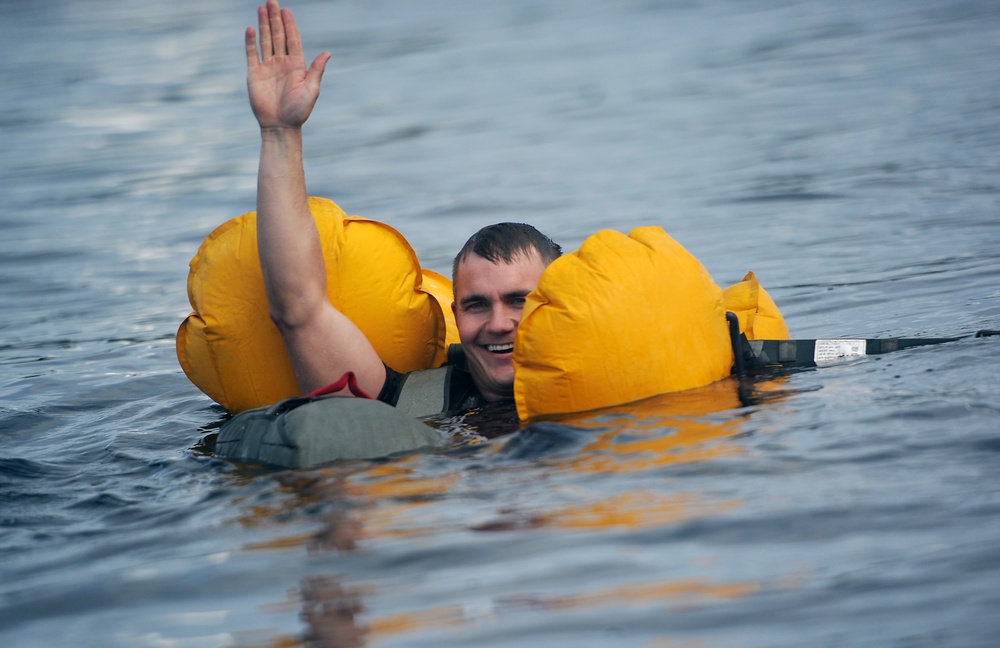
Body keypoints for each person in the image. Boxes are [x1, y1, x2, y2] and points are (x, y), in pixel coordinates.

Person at [245, 0, 560, 415]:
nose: (498, 323)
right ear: (456, 315)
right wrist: (280, 133)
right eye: (476, 304)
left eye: (520, 300)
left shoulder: (612, 388)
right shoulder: (415, 403)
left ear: (559, 302)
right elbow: (299, 311)